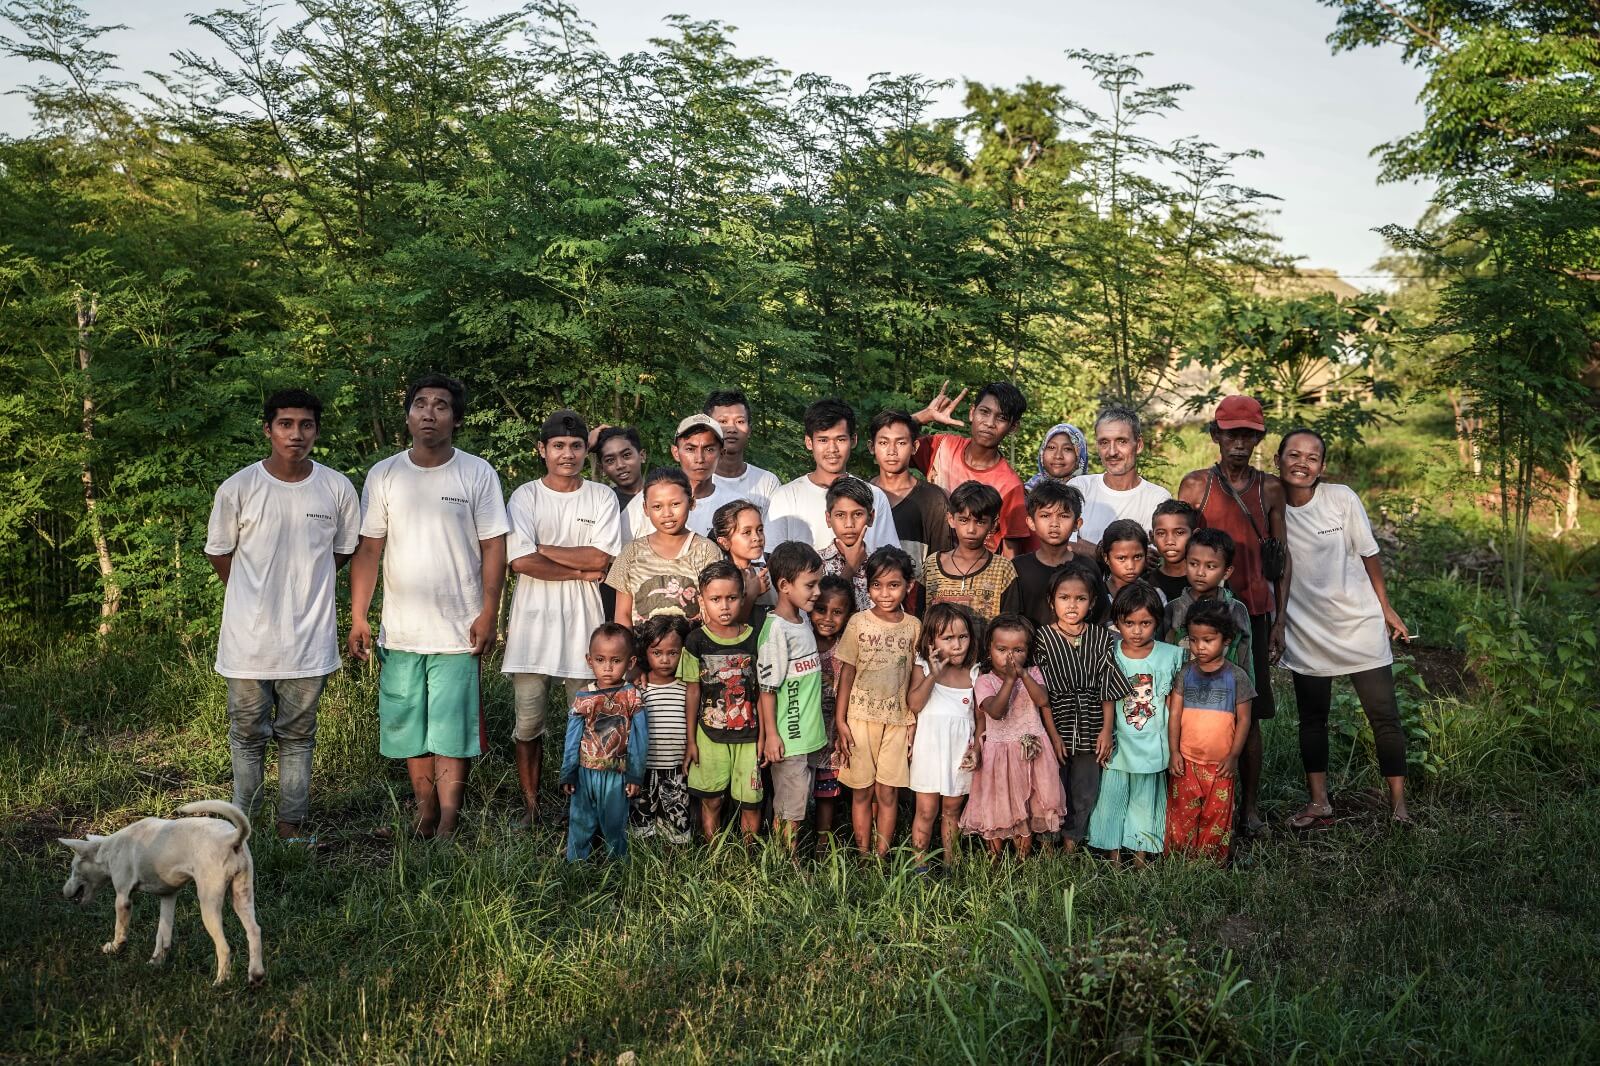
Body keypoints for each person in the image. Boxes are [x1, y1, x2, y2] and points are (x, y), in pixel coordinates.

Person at [348, 374, 509, 840]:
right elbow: (369, 550)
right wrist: (360, 616)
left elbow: (494, 547)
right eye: (420, 404)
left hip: (460, 629)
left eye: (441, 406)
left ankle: (450, 823)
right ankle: (424, 815)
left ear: (455, 419)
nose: (429, 413)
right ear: (408, 415)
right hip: (400, 631)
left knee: (452, 732)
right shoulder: (385, 474)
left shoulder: (476, 473)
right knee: (409, 730)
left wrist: (489, 613)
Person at [205, 387, 360, 841]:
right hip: (248, 643)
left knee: (298, 737)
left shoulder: (337, 488)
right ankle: (241, 830)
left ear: (316, 430)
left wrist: (301, 592)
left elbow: (342, 551)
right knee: (247, 736)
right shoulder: (239, 488)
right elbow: (220, 554)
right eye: (286, 424)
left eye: (306, 424)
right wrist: (257, 595)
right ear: (268, 429)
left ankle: (292, 828)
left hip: (309, 642)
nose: (296, 434)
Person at [1276, 428, 1412, 826]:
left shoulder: (1341, 498)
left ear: (1323, 466)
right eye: (1293, 455)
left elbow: (1369, 555)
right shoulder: (1271, 506)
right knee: (1313, 719)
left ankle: (1398, 805)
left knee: (1384, 716)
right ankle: (1319, 802)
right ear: (1278, 460)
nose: (1302, 463)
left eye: (1312, 457)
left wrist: (1386, 609)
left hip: (1358, 623)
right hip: (1306, 628)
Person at [1177, 395, 1292, 836]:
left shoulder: (1270, 489)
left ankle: (1249, 809)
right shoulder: (1195, 486)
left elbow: (1281, 558)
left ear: (1258, 438)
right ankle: (1195, 799)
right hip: (1203, 615)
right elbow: (1180, 548)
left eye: (1248, 434)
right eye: (1231, 434)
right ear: (1216, 436)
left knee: (1250, 706)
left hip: (1252, 617)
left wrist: (1279, 619)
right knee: (1194, 706)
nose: (1239, 443)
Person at [502, 409, 623, 829]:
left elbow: (601, 557)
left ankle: (585, 808)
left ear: (584, 449)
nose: (567, 454)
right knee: (528, 725)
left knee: (591, 721)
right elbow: (520, 561)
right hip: (532, 631)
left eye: (575, 446)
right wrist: (578, 571)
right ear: (542, 449)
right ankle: (531, 806)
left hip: (584, 629)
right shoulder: (525, 496)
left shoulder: (601, 497)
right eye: (558, 446)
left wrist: (544, 548)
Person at [1033, 561, 1134, 851]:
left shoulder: (1101, 637)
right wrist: (1051, 735)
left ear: (1091, 603)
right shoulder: (1042, 638)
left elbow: (1108, 686)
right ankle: (1048, 844)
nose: (1072, 605)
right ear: (1052, 602)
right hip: (1055, 720)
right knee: (1051, 785)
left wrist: (1105, 730)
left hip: (1091, 721)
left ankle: (1072, 843)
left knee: (1085, 788)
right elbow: (1041, 692)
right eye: (1064, 598)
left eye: (1080, 598)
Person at [834, 546, 920, 857]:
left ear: (908, 586)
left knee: (887, 792)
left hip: (897, 720)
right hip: (859, 718)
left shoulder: (913, 627)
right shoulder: (858, 622)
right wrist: (841, 721)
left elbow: (915, 678)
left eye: (894, 585)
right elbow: (846, 673)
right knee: (862, 791)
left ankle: (882, 856)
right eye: (877, 585)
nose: (884, 593)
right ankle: (863, 854)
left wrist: (913, 722)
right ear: (868, 585)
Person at [1087, 581, 1181, 865]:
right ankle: (1112, 856)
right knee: (1112, 798)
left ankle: (1141, 855)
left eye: (1145, 623)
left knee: (1144, 800)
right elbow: (1106, 696)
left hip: (1154, 741)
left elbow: (1172, 707)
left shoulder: (1170, 656)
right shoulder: (1110, 654)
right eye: (1129, 623)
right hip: (1119, 740)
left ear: (1157, 622)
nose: (1137, 631)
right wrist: (1105, 732)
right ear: (1117, 622)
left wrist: (1175, 747)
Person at [959, 614, 1066, 858]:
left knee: (1030, 806)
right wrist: (1009, 680)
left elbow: (1042, 700)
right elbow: (996, 712)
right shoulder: (984, 681)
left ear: (1028, 651)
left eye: (1018, 650)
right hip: (1000, 757)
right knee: (999, 807)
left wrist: (1023, 675)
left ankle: (1023, 859)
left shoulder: (1035, 673)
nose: (1010, 656)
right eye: (1002, 649)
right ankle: (995, 861)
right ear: (989, 649)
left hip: (1033, 754)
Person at [681, 560, 766, 842]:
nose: (725, 606)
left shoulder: (755, 639)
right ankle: (713, 853)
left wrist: (764, 736)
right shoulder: (696, 641)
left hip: (749, 736)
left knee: (751, 802)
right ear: (702, 600)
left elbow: (763, 690)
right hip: (709, 735)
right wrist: (691, 740)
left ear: (743, 597)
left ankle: (748, 856)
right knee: (712, 800)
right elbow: (693, 691)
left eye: (731, 598)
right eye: (715, 599)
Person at [1166, 600, 1255, 864]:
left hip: (1220, 765)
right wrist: (1174, 752)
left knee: (1216, 815)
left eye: (1208, 640)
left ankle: (1209, 862)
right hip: (1187, 760)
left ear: (1226, 640)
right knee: (1182, 813)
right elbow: (1175, 716)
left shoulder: (1237, 677)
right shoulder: (1185, 674)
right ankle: (1180, 860)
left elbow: (1245, 721)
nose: (1199, 647)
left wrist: (1234, 756)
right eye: (1193, 640)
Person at [756, 541, 828, 852]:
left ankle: (789, 856)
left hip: (807, 737)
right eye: (810, 585)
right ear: (784, 586)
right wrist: (772, 735)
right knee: (789, 810)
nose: (817, 592)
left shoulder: (803, 621)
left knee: (798, 804)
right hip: (789, 739)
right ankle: (785, 863)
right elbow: (767, 688)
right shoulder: (776, 630)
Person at [909, 381, 1031, 556]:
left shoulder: (1010, 485)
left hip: (978, 575)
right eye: (984, 412)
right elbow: (891, 442)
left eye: (1001, 418)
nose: (989, 423)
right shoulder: (942, 448)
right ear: (972, 412)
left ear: (1013, 427)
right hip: (927, 566)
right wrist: (924, 416)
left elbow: (1011, 556)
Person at [559, 624, 648, 861]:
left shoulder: (632, 696)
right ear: (589, 660)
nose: (607, 667)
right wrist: (568, 772)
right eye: (600, 659)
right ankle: (576, 868)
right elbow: (572, 738)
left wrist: (635, 775)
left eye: (616, 660)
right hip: (585, 773)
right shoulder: (584, 697)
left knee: (615, 824)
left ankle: (617, 870)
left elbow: (640, 739)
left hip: (617, 774)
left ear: (630, 663)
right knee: (580, 821)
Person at [766, 399, 900, 552]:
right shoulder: (786, 497)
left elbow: (890, 561)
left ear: (853, 440)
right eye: (823, 440)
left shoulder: (875, 496)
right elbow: (773, 562)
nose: (832, 449)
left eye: (840, 439)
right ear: (809, 442)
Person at [907, 602, 981, 869]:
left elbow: (979, 719)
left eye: (963, 637)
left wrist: (977, 750)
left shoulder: (973, 672)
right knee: (926, 811)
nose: (957, 644)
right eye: (948, 638)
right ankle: (919, 865)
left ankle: (952, 863)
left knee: (952, 810)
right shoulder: (924, 667)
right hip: (929, 750)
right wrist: (933, 675)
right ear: (931, 640)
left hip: (959, 753)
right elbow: (914, 704)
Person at [605, 468, 724, 629]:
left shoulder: (706, 551)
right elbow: (622, 614)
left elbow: (713, 610)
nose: (667, 513)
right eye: (657, 507)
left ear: (691, 503)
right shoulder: (631, 552)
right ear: (645, 509)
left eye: (675, 504)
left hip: (692, 650)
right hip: (642, 650)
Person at [1069, 404, 1172, 553]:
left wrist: (1087, 548)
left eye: (1121, 441)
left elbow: (1151, 556)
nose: (1112, 452)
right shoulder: (1080, 487)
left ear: (1139, 445)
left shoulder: (1157, 498)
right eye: (1104, 442)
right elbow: (1064, 541)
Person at [868, 409, 951, 589]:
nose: (891, 451)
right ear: (871, 447)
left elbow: (942, 562)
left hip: (917, 606)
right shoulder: (861, 495)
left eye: (901, 443)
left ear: (914, 447)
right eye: (883, 442)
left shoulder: (933, 499)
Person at [625, 415, 741, 539]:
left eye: (709, 449)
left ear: (722, 453)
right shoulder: (645, 502)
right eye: (690, 449)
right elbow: (619, 555)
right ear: (676, 452)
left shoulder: (735, 506)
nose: (700, 459)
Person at [630, 615, 692, 843]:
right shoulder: (639, 688)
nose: (664, 660)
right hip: (644, 770)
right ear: (645, 653)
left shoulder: (687, 687)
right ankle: (644, 863)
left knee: (677, 827)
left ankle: (673, 864)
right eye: (657, 653)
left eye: (672, 653)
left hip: (676, 769)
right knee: (642, 825)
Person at [922, 481, 1017, 624]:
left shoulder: (1003, 569)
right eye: (964, 520)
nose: (971, 529)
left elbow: (1010, 624)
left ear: (993, 524)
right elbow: (919, 614)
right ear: (951, 519)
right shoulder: (932, 565)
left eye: (980, 522)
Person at [1163, 528, 1254, 672]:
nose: (1200, 572)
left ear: (1227, 572)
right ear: (1185, 563)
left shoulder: (1235, 609)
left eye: (1210, 566)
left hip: (1224, 689)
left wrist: (1245, 691)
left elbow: (1245, 657)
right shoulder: (1172, 609)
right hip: (1181, 690)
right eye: (1194, 564)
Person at [808, 575, 854, 853]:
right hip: (802, 726)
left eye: (838, 612)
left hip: (832, 732)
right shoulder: (802, 640)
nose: (827, 618)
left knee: (827, 792)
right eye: (821, 609)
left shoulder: (846, 648)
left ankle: (823, 845)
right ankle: (791, 841)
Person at [1000, 480, 1083, 629]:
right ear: (1031, 522)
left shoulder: (1087, 568)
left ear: (1077, 524)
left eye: (1064, 516)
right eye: (1045, 516)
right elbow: (1008, 621)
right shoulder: (1017, 568)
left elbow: (1097, 621)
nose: (1054, 523)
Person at [707, 389, 781, 511]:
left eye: (740, 421)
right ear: (708, 428)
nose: (731, 428)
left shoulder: (767, 482)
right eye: (723, 421)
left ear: (749, 430)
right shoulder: (693, 483)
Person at [818, 476, 876, 611]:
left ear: (871, 517)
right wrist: (850, 568)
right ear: (828, 518)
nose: (849, 524)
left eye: (857, 514)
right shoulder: (816, 564)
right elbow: (822, 610)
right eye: (840, 515)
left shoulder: (881, 564)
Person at [710, 498, 773, 617]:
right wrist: (751, 594)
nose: (757, 537)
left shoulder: (766, 574)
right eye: (747, 532)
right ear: (724, 542)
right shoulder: (720, 580)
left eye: (760, 530)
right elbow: (731, 627)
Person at [1098, 519, 1162, 620]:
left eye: (1137, 557)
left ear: (1146, 554)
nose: (1131, 566)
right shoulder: (1096, 597)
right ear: (1106, 558)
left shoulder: (1156, 595)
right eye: (1121, 558)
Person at [1149, 499, 1200, 602]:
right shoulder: (1146, 584)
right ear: (1152, 538)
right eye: (1161, 533)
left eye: (1179, 533)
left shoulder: (1208, 579)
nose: (1170, 541)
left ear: (1195, 536)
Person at [591, 426, 647, 514]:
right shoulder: (603, 504)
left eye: (626, 455)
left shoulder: (664, 494)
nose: (620, 465)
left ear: (642, 456)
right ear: (602, 468)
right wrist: (587, 446)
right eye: (610, 460)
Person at [1024, 422, 1089, 490]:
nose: (1058, 456)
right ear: (1042, 451)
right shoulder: (1026, 492)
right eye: (1051, 447)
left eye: (1067, 449)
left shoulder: (1092, 492)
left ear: (1079, 455)